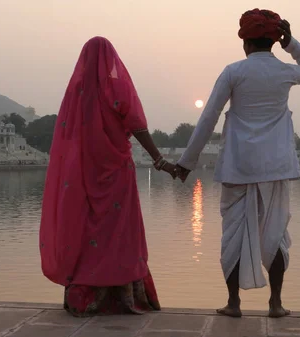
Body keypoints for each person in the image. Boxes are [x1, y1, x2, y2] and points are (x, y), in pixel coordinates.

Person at [175, 9, 300, 318]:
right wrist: (291, 43)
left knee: (233, 236)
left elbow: (209, 117)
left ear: (245, 43)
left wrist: (187, 162)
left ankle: (233, 303)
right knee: (276, 234)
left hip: (238, 167)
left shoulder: (233, 71)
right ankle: (276, 303)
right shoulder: (286, 72)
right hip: (276, 168)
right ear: (273, 40)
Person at [39, 36, 177, 317]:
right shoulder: (118, 86)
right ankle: (124, 297)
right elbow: (137, 125)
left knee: (86, 230)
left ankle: (85, 297)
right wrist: (159, 160)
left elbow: (68, 135)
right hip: (116, 173)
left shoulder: (76, 91)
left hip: (83, 173)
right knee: (119, 231)